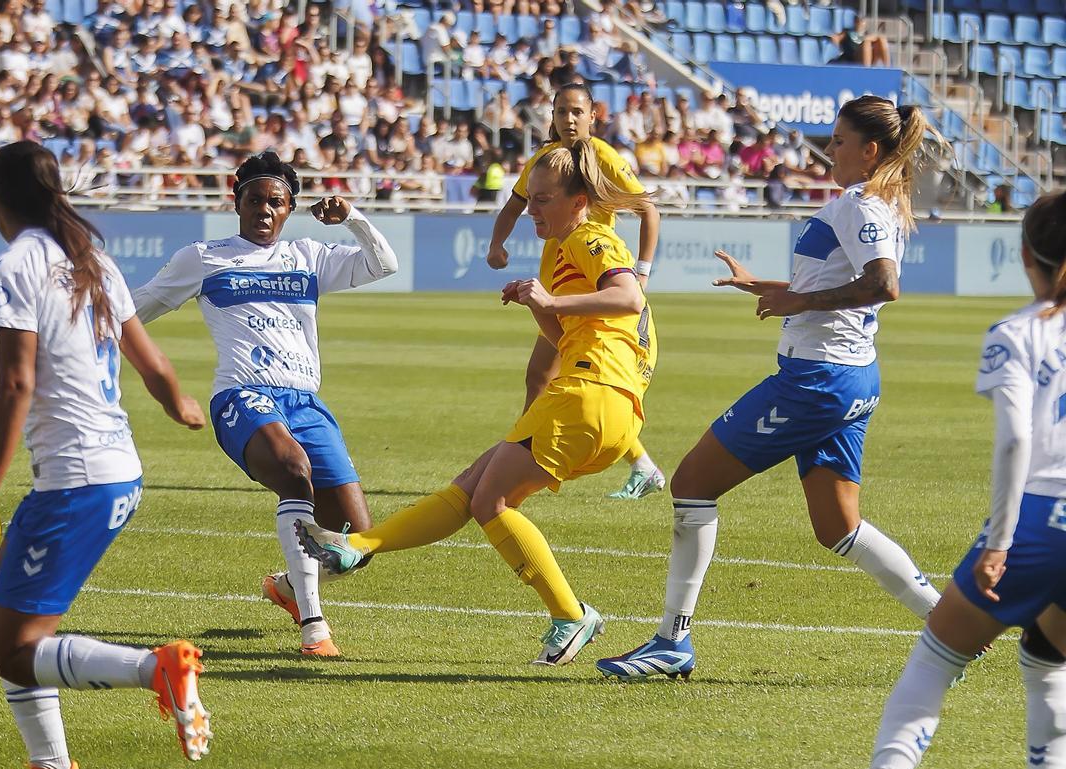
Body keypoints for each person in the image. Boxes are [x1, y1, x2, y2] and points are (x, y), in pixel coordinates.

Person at [596, 97, 948, 680]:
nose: (830, 150)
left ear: (871, 151)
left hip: (816, 380)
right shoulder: (879, 205)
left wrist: (797, 301)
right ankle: (948, 623)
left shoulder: (860, 205)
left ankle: (670, 643)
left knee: (691, 484)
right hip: (851, 376)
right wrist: (763, 285)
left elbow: (883, 285)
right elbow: (839, 279)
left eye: (838, 141)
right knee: (839, 529)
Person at [296, 139, 657, 666]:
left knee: (492, 503)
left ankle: (572, 616)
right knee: (471, 487)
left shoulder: (593, 238)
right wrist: (538, 306)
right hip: (592, 393)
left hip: (591, 392)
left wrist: (550, 299)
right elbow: (565, 336)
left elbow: (630, 297)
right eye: (529, 197)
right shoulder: (561, 247)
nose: (530, 209)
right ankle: (356, 548)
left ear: (579, 201)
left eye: (543, 199)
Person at [0, 141, 211, 769]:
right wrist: (176, 403)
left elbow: (16, 384)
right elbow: (150, 360)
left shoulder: (14, 266)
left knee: (12, 648)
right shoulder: (89, 257)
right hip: (113, 470)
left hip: (78, 480)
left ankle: (156, 669)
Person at [132, 151, 399, 657]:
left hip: (304, 401)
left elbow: (383, 263)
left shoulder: (308, 256)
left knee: (356, 543)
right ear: (237, 202)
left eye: (275, 202)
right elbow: (139, 306)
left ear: (289, 208)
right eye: (254, 200)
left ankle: (287, 585)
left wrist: (355, 220)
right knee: (293, 470)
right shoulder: (204, 256)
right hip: (242, 395)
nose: (264, 210)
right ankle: (314, 628)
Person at [864, 192, 1066, 769]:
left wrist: (999, 543)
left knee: (936, 659)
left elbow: (1015, 441)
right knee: (1048, 663)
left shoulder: (1018, 332)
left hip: (1037, 517)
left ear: (1025, 254)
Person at [486, 82, 666, 500]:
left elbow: (647, 209)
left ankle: (519, 468)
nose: (569, 119)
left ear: (592, 116)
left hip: (591, 285)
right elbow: (513, 205)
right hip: (560, 284)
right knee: (545, 375)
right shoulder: (546, 160)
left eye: (577, 112)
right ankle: (640, 465)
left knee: (554, 376)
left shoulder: (601, 156)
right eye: (561, 111)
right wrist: (496, 244)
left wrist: (640, 273)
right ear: (550, 115)